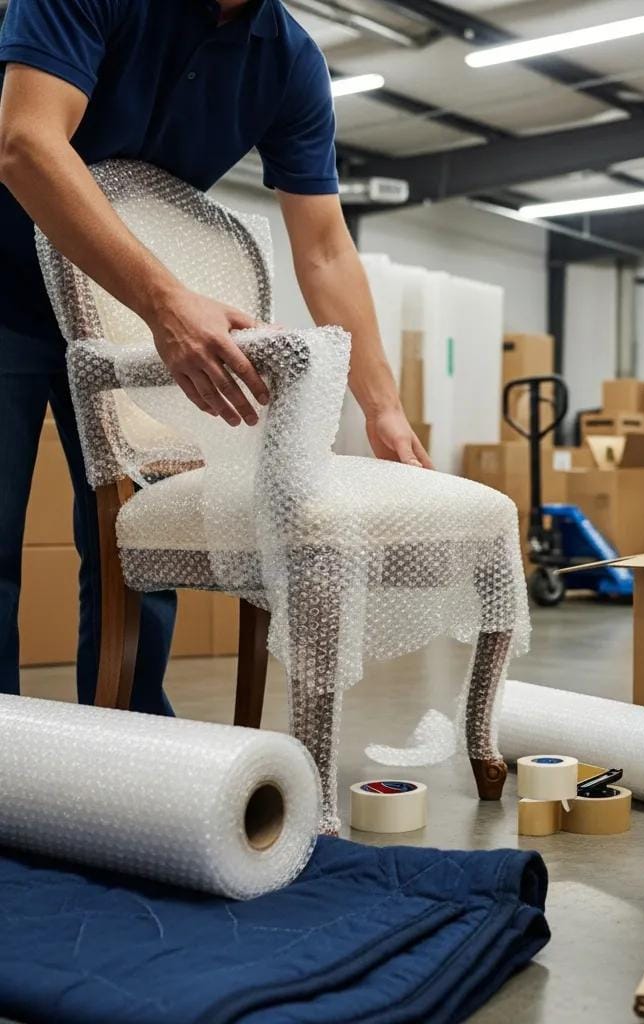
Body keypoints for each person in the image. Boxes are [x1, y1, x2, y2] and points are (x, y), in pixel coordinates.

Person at [0, 0, 430, 713]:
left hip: (125, 306)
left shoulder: (289, 62)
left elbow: (324, 249)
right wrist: (168, 302)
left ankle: (131, 745)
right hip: (10, 287)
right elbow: (26, 143)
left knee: (140, 542)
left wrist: (382, 408)